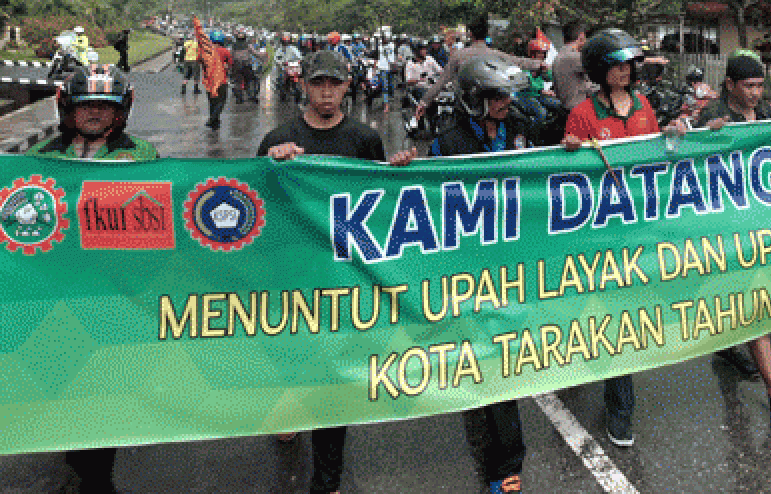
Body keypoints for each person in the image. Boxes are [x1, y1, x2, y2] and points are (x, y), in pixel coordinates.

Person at [0, 64, 156, 494]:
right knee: (62, 387)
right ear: (66, 108)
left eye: (105, 105)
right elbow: (8, 216)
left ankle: (98, 479)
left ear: (123, 111)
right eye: (85, 106)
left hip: (111, 301)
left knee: (102, 399)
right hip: (50, 301)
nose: (95, 113)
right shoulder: (38, 158)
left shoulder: (142, 158)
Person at [256, 50, 415, 494]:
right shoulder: (278, 137)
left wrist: (396, 173)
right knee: (293, 361)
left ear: (348, 87)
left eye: (335, 84)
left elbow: (380, 204)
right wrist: (272, 163)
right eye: (318, 83)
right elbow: (256, 203)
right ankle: (288, 410)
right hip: (294, 277)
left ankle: (327, 482)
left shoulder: (363, 139)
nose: (326, 92)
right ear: (303, 86)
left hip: (344, 280)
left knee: (333, 378)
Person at [427, 56, 530, 492]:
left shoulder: (524, 129)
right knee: (486, 361)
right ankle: (502, 464)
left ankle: (506, 461)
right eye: (496, 95)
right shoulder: (447, 143)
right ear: (474, 100)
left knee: (504, 360)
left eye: (507, 93)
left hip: (517, 262)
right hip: (467, 268)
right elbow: (428, 198)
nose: (506, 102)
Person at [692, 51, 771, 427]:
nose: (756, 93)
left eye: (760, 85)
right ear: (730, 85)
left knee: (752, 300)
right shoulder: (712, 118)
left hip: (764, 225)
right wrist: (704, 140)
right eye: (748, 86)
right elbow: (688, 165)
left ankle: (729, 345)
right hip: (729, 229)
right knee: (753, 302)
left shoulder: (769, 116)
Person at [560, 28, 662, 448]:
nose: (624, 70)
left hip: (638, 230)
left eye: (628, 63)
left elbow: (657, 157)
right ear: (600, 70)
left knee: (626, 313)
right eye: (616, 64)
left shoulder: (645, 107)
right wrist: (569, 149)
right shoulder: (583, 114)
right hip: (598, 236)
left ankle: (619, 400)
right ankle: (620, 405)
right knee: (606, 311)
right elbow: (567, 178)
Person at [416, 16, 543, 122]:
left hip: (465, 111)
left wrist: (423, 102)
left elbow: (441, 82)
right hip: (492, 112)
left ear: (471, 34)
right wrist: (540, 64)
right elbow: (520, 62)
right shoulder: (495, 54)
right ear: (486, 34)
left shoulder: (459, 56)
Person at [552, 20, 596, 112]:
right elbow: (601, 71)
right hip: (579, 109)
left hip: (568, 107)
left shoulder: (560, 55)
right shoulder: (574, 57)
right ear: (581, 37)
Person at [204, 30, 233, 129]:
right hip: (221, 80)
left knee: (212, 102)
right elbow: (230, 64)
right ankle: (213, 119)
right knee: (221, 101)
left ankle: (215, 122)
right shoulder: (225, 51)